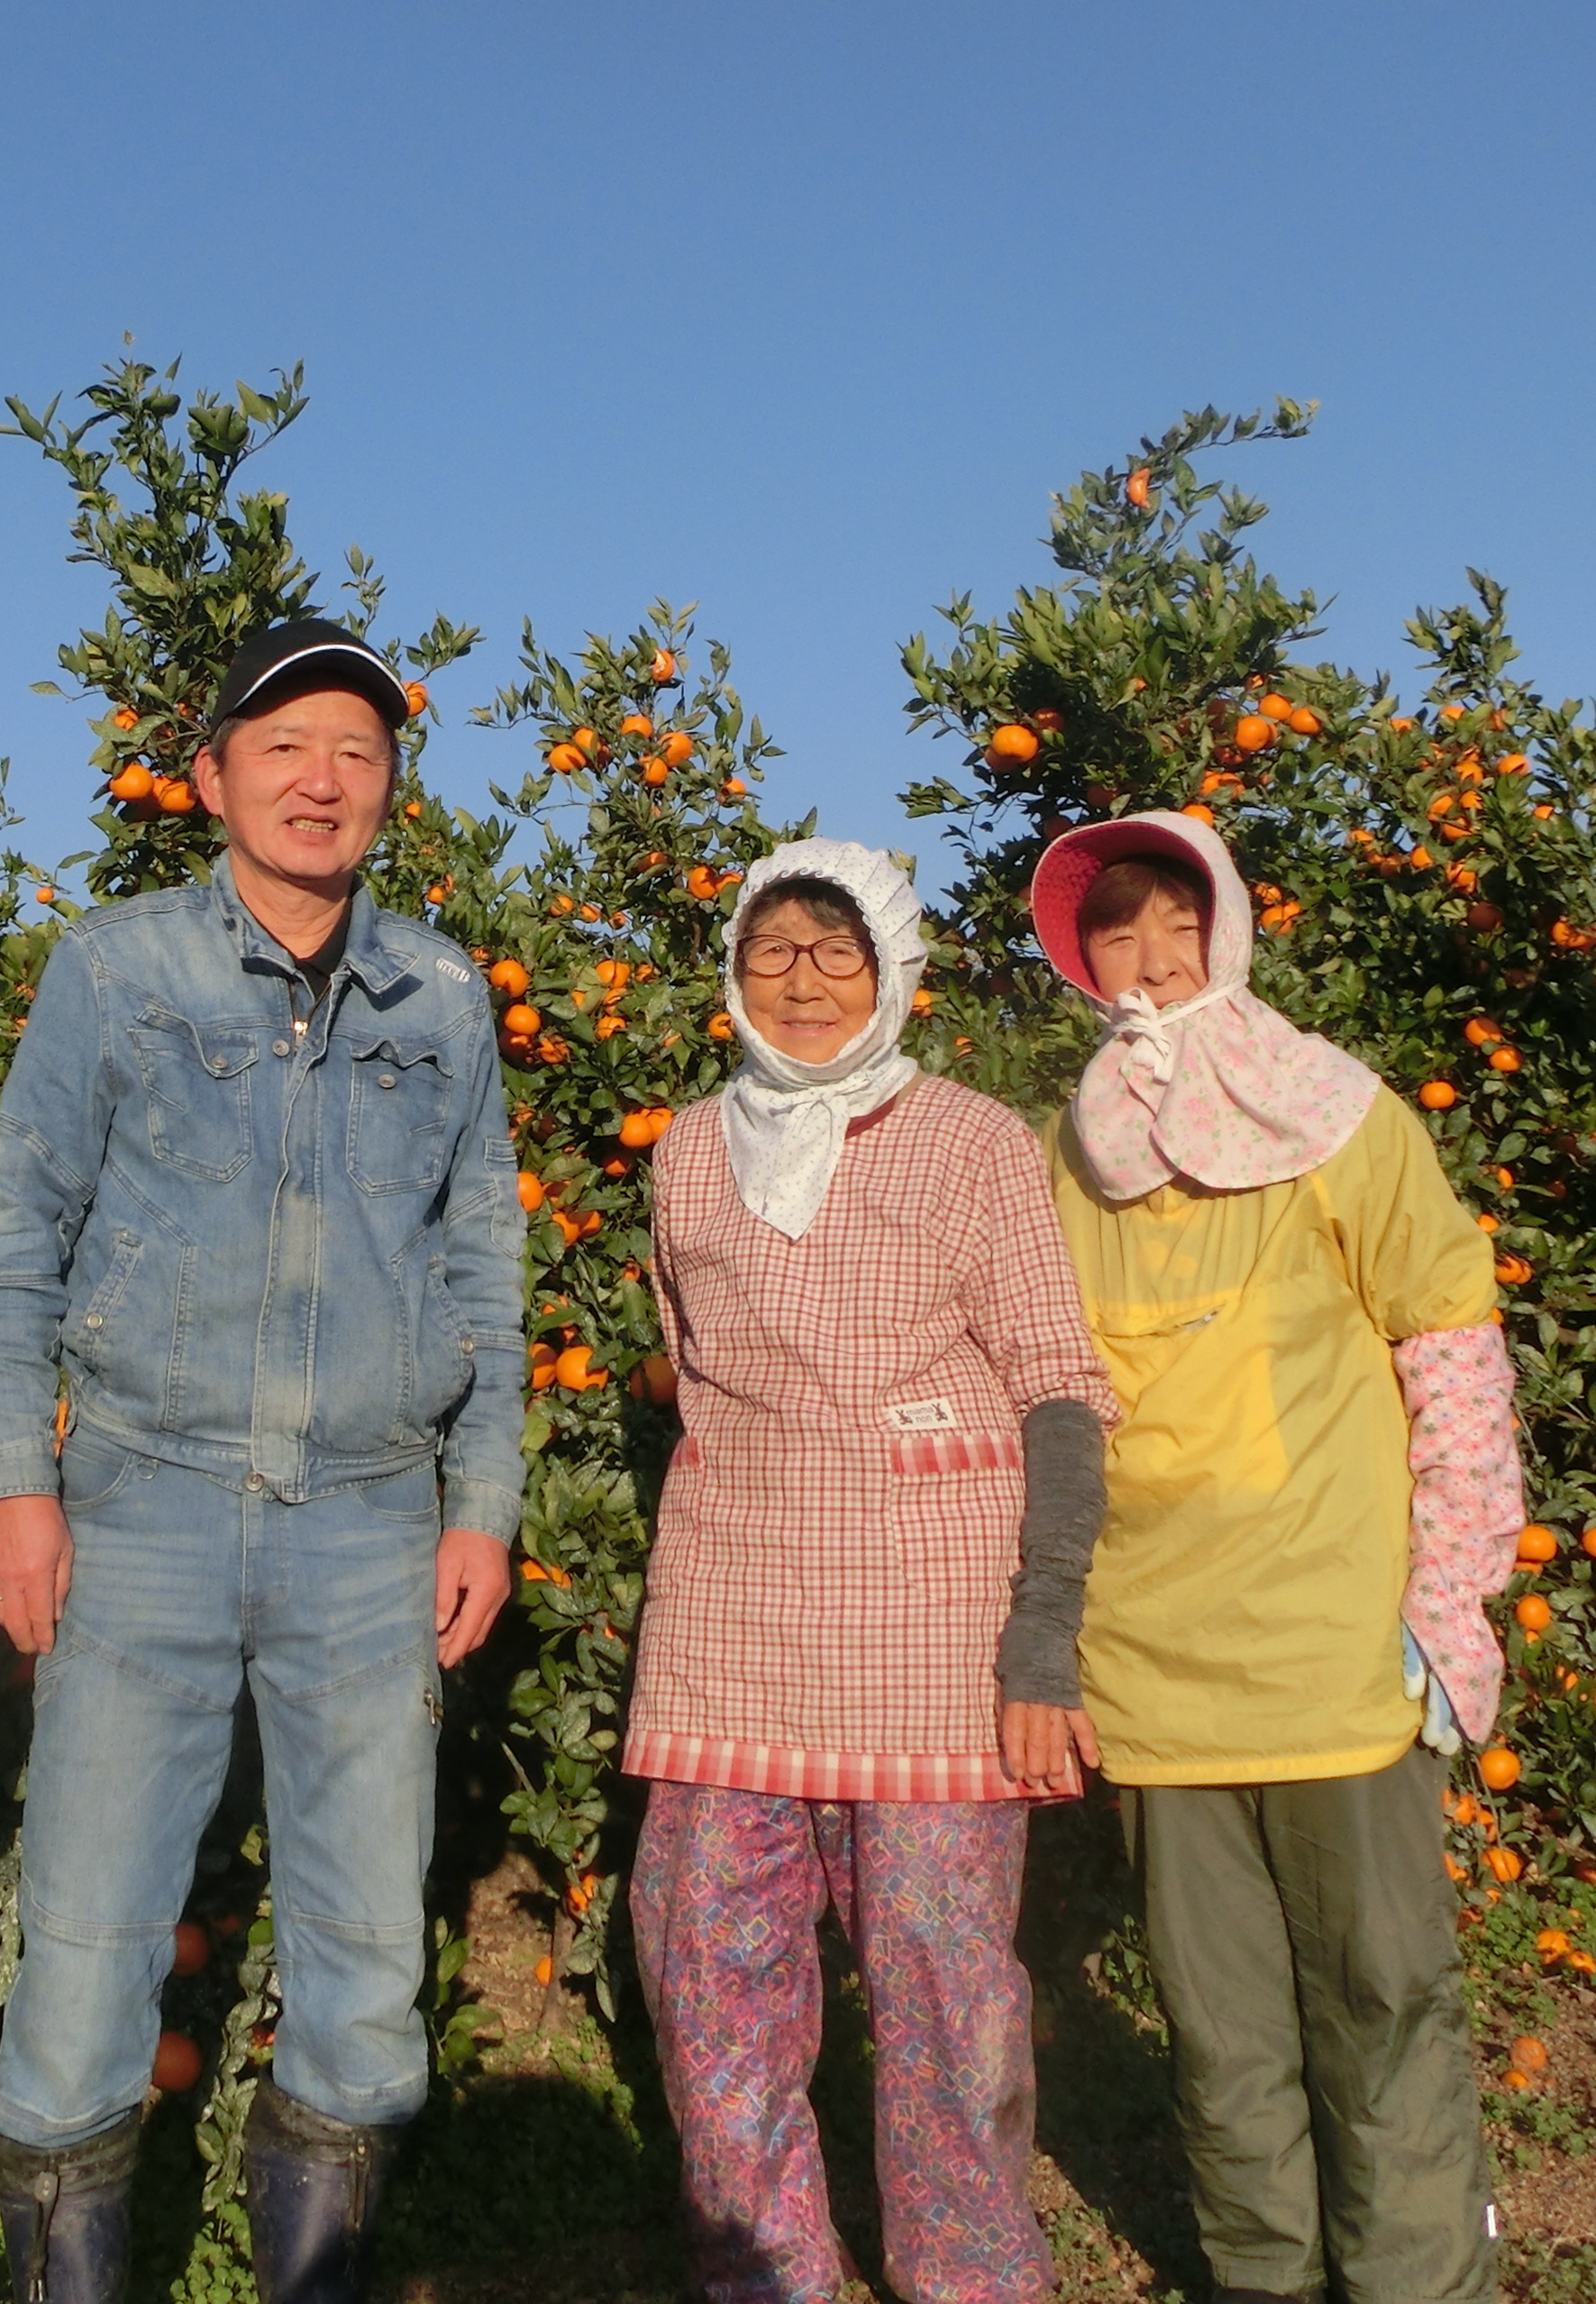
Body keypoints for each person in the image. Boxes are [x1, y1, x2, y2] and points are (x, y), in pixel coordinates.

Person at [0, 617, 527, 2304]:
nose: (321, 778)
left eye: (358, 750)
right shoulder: (118, 969)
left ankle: (313, 2280)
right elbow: (16, 1230)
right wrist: (13, 1481)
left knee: (364, 1959)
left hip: (370, 1520)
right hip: (146, 1502)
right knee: (84, 1945)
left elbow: (482, 1260)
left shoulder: (441, 992)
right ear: (210, 775)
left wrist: (482, 1500)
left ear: (390, 793)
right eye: (284, 746)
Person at [1032, 809, 1526, 2304]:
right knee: (1226, 2031)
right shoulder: (1081, 1145)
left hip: (1333, 1656)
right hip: (1157, 1670)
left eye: (1177, 919)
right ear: (1083, 957)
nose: (1153, 955)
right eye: (1117, 928)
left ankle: (1417, 2283)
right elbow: (1055, 1386)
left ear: (1229, 926)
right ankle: (1263, 2281)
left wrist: (1452, 1595)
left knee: (1382, 2001)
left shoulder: (1343, 1117)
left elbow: (1451, 1348)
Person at [621, 839, 1117, 2304]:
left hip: (935, 1625)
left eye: (838, 951)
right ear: (733, 973)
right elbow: (694, 1369)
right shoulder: (687, 1151)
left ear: (896, 967)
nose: (805, 980)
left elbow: (1059, 1390)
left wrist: (1043, 1646)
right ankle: (765, 2267)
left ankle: (968, 2277)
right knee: (708, 1973)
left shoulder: (972, 1142)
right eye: (773, 950)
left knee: (947, 1997)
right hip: (732, 1610)